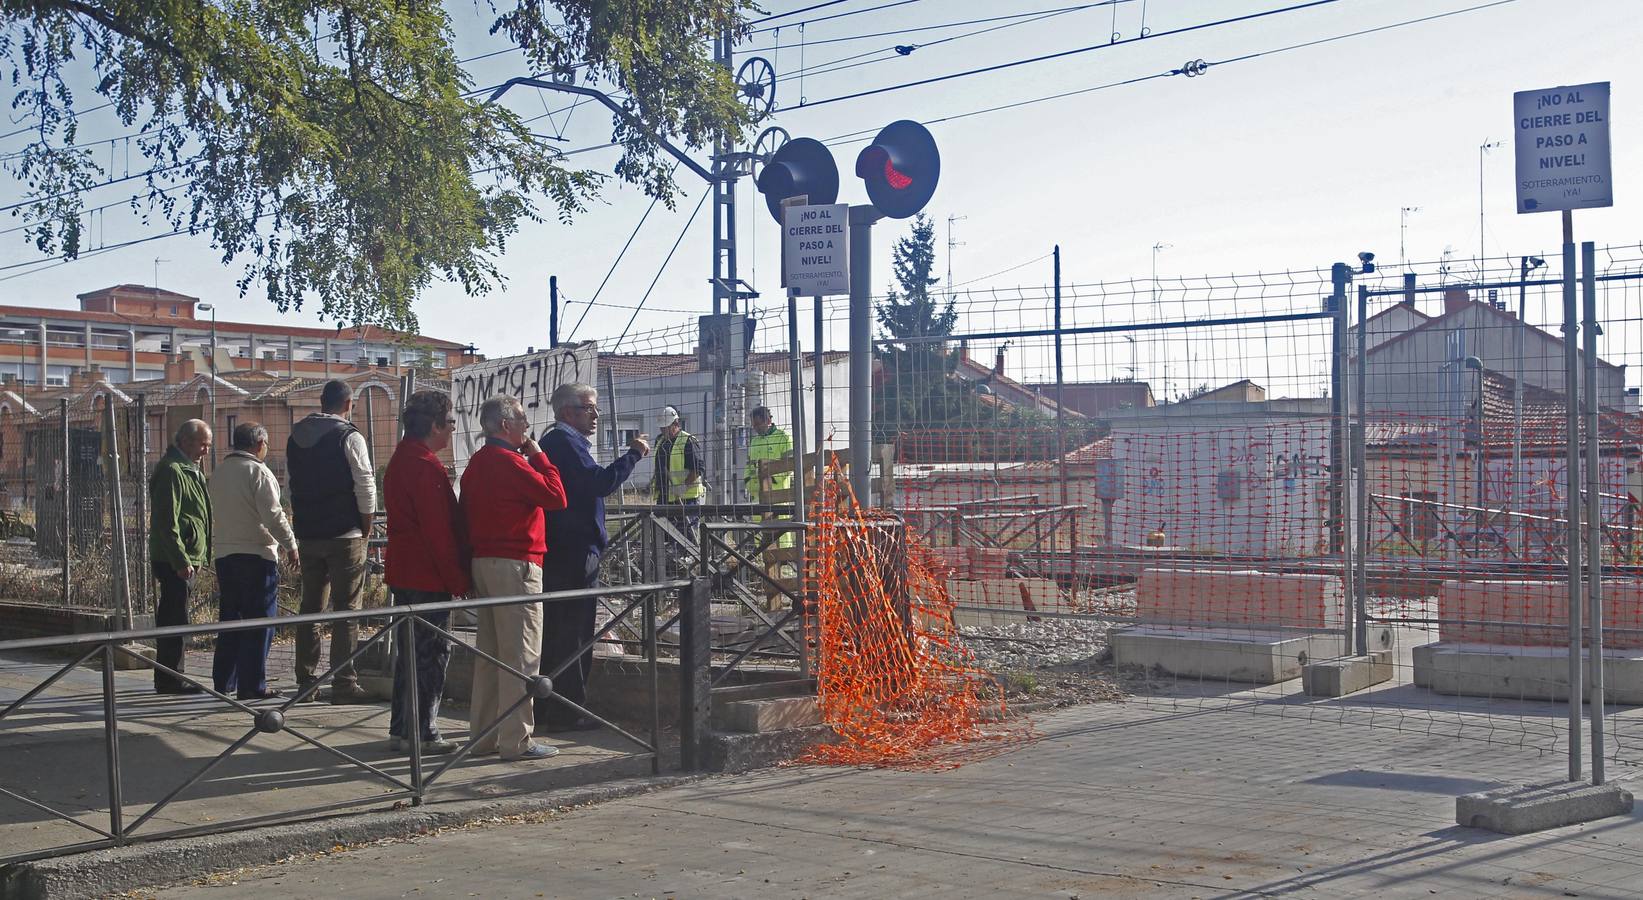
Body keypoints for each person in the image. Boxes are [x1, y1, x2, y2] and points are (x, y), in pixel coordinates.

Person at [537, 383, 649, 732]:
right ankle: (565, 709)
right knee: (572, 634)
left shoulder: (563, 443)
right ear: (567, 411)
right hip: (571, 552)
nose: (596, 415)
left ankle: (555, 706)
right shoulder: (564, 443)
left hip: (569, 548)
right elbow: (598, 483)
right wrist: (633, 454)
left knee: (565, 632)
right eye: (589, 408)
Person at [461, 395, 568, 761]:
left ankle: (483, 737)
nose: (527, 426)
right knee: (521, 655)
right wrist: (539, 455)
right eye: (522, 419)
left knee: (491, 654)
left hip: (484, 562)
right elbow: (556, 497)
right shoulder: (511, 462)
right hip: (517, 564)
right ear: (505, 425)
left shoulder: (477, 463)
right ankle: (516, 740)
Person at [383, 390, 467, 756]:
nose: (452, 431)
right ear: (434, 426)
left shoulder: (401, 459)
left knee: (408, 654)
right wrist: (459, 581)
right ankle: (423, 731)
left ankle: (402, 728)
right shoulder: (426, 467)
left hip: (404, 569)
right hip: (427, 574)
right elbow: (439, 532)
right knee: (432, 654)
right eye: (449, 423)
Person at [287, 379, 377, 704]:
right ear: (348, 404)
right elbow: (365, 483)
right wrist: (366, 525)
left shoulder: (296, 436)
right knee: (346, 610)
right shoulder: (350, 436)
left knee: (310, 609)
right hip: (345, 534)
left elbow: (290, 484)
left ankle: (306, 682)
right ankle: (344, 683)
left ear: (322, 402)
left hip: (309, 533)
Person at [207, 422, 299, 700]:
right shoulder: (258, 472)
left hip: (224, 553)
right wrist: (291, 545)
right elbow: (273, 515)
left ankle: (224, 681)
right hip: (256, 554)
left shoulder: (219, 473)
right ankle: (252, 685)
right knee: (260, 623)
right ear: (259, 443)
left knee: (231, 620)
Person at [149, 419, 213, 695]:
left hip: (185, 556)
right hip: (175, 559)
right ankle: (170, 679)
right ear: (186, 441)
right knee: (174, 619)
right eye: (203, 444)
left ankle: (173, 676)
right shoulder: (173, 470)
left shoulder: (189, 469)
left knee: (178, 617)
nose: (206, 451)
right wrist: (180, 559)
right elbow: (167, 521)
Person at [742, 405, 795, 551]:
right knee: (761, 532)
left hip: (779, 496)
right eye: (754, 425)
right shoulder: (755, 441)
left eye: (758, 424)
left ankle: (785, 563)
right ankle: (764, 560)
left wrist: (771, 480)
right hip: (758, 495)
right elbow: (749, 466)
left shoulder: (783, 438)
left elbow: (789, 465)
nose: (756, 428)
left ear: (768, 420)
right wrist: (748, 482)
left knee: (782, 532)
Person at [652, 405, 704, 516]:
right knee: (662, 533)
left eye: (666, 427)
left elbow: (697, 469)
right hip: (664, 498)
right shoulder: (659, 441)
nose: (663, 430)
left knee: (686, 532)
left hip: (686, 500)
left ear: (676, 424)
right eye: (661, 428)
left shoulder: (688, 441)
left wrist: (683, 487)